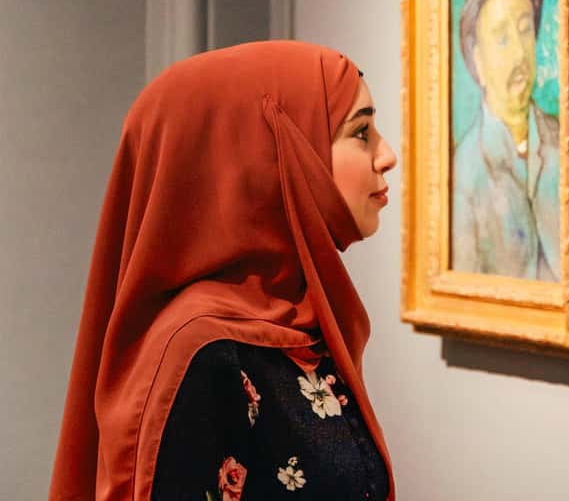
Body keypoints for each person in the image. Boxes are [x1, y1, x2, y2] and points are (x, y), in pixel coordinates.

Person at [49, 41, 397, 500]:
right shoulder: (206, 354)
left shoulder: (299, 320)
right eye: (361, 132)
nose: (386, 155)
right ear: (266, 154)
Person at [451, 0, 561, 281]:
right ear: (478, 61)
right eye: (501, 38)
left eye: (525, 30)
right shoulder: (464, 172)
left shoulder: (567, 143)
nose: (518, 53)